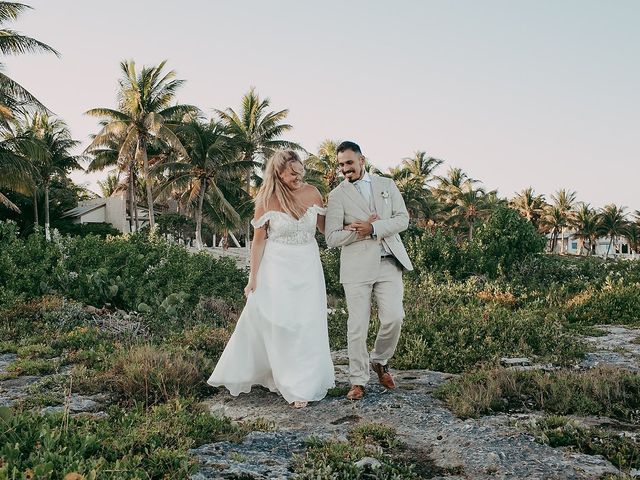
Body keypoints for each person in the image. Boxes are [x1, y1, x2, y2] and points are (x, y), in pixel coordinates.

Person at [207, 149, 335, 408]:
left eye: (302, 172)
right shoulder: (266, 199)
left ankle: (306, 381)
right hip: (277, 267)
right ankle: (288, 379)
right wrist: (252, 278)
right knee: (282, 323)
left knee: (308, 322)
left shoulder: (312, 193)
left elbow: (325, 229)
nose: (299, 177)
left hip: (308, 265)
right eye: (293, 173)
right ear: (278, 172)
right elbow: (258, 242)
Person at [325, 141, 413, 401]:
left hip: (388, 262)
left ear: (362, 160)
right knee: (357, 326)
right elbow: (331, 237)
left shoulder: (387, 185)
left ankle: (380, 360)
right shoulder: (337, 195)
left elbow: (402, 219)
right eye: (341, 165)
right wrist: (357, 231)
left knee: (394, 317)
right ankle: (357, 380)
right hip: (356, 266)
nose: (345, 169)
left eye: (349, 163)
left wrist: (374, 228)